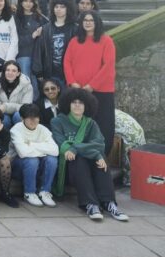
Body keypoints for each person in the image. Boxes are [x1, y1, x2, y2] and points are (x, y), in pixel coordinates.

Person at [51, 88, 128, 221]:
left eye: (80, 103)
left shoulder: (91, 123)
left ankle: (109, 202)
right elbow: (62, 145)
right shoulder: (58, 122)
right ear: (68, 104)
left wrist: (78, 148)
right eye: (73, 102)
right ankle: (90, 204)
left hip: (90, 163)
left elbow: (99, 144)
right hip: (70, 166)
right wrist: (90, 152)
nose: (77, 105)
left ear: (86, 106)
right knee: (81, 158)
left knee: (101, 157)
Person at [63, 11, 117, 155]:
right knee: (80, 124)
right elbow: (67, 62)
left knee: (103, 124)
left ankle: (102, 154)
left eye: (91, 20)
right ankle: (81, 154)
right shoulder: (74, 41)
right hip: (79, 91)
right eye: (85, 20)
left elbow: (108, 65)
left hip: (101, 91)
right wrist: (72, 82)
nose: (87, 22)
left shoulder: (106, 41)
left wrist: (92, 85)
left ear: (97, 22)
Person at [10, 103, 58, 208]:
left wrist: (31, 144)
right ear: (22, 118)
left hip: (38, 167)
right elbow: (23, 153)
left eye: (36, 117)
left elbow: (55, 151)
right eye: (29, 118)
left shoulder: (43, 130)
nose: (33, 121)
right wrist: (44, 148)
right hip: (19, 167)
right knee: (32, 160)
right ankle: (29, 193)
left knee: (52, 159)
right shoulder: (16, 130)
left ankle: (44, 192)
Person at [33, 0, 77, 87]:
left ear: (68, 9)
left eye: (62, 7)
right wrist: (38, 71)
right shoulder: (45, 29)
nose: (58, 9)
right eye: (56, 7)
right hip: (49, 72)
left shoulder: (75, 29)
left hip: (69, 73)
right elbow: (38, 51)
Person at [15, 0, 48, 96]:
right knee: (26, 82)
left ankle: (37, 106)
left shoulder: (39, 16)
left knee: (38, 83)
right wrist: (32, 36)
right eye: (25, 1)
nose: (28, 3)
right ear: (21, 2)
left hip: (38, 55)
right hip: (23, 55)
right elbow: (15, 40)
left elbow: (49, 26)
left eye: (31, 1)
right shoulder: (16, 17)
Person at [0, 60, 33, 129]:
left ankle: (20, 138)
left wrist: (6, 106)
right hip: (3, 112)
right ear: (4, 72)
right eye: (8, 70)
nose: (10, 73)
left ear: (18, 73)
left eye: (14, 71)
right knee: (4, 120)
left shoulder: (27, 85)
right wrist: (3, 108)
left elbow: (26, 107)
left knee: (18, 116)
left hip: (19, 112)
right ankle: (6, 138)